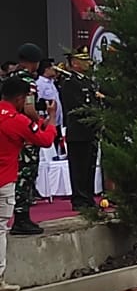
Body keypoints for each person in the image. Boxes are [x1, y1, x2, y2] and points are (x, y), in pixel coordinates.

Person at [1, 74, 58, 291]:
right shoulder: (17, 120)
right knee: (0, 229)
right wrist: (51, 118)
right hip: (4, 180)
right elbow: (45, 140)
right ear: (19, 99)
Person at [56, 47, 101, 213]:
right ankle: (79, 198)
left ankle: (88, 196)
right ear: (75, 63)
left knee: (89, 166)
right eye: (84, 60)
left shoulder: (87, 81)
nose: (88, 63)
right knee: (79, 167)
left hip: (91, 130)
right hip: (78, 130)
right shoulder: (70, 82)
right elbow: (74, 106)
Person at [8, 43, 45, 235]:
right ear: (35, 61)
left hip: (10, 130)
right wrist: (40, 123)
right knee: (27, 174)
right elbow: (29, 108)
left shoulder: (11, 76)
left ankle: (19, 216)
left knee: (17, 173)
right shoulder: (28, 81)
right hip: (25, 133)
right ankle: (22, 218)